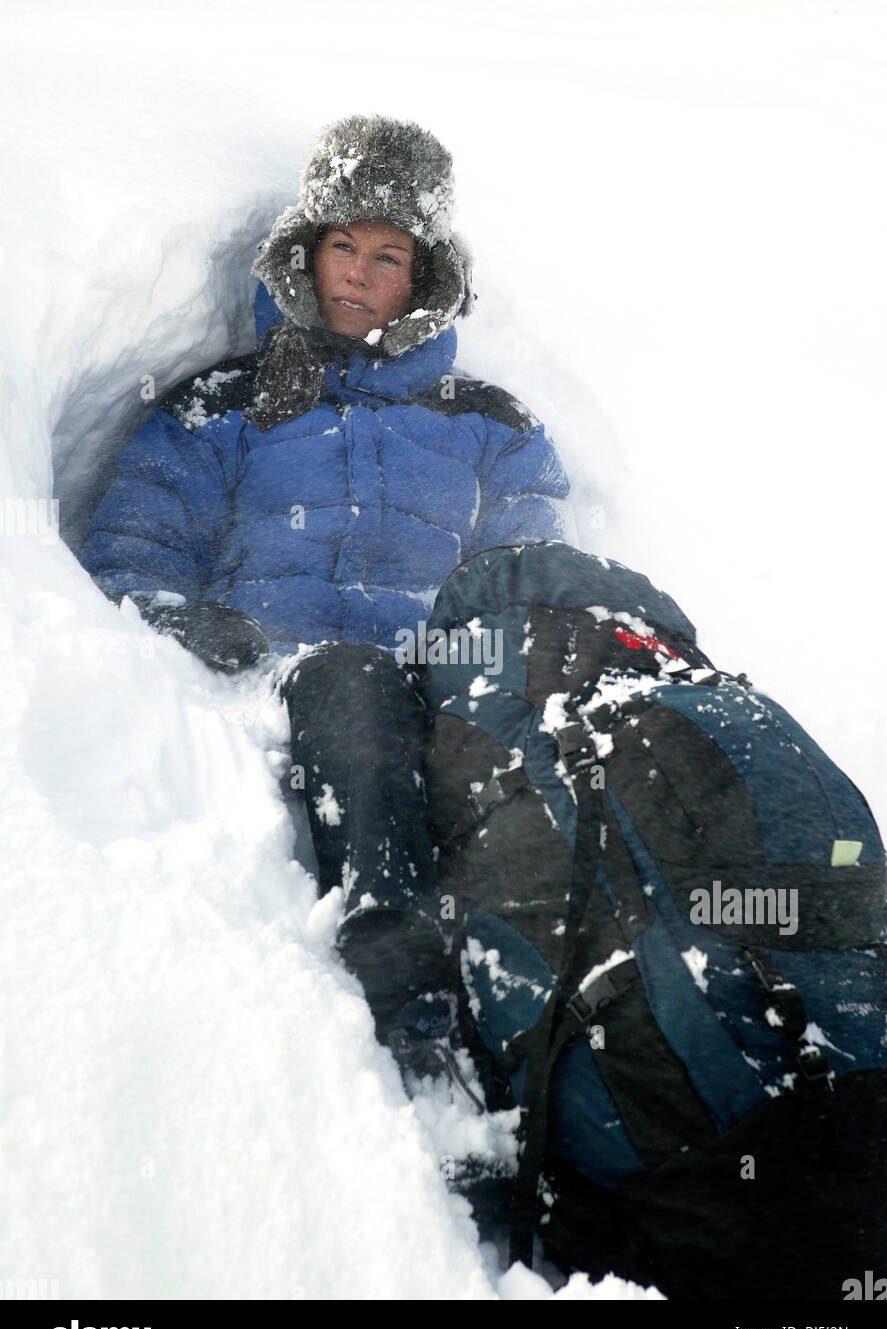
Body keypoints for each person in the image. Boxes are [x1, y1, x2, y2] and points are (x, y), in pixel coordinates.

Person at [80, 114, 571, 1051]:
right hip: (269, 685)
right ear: (302, 257)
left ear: (423, 278)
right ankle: (401, 984)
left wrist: (489, 662)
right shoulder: (223, 402)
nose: (356, 272)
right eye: (341, 244)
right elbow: (133, 554)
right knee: (351, 681)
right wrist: (191, 628)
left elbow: (536, 581)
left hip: (446, 694)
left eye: (387, 255)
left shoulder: (491, 426)